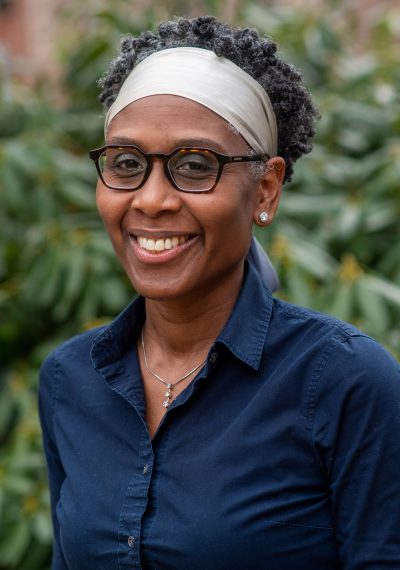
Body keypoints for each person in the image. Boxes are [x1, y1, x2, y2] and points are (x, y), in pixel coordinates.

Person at [39, 15, 400, 570]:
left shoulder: (345, 384)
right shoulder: (70, 381)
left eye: (194, 165)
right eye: (127, 164)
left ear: (267, 188)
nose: (152, 199)